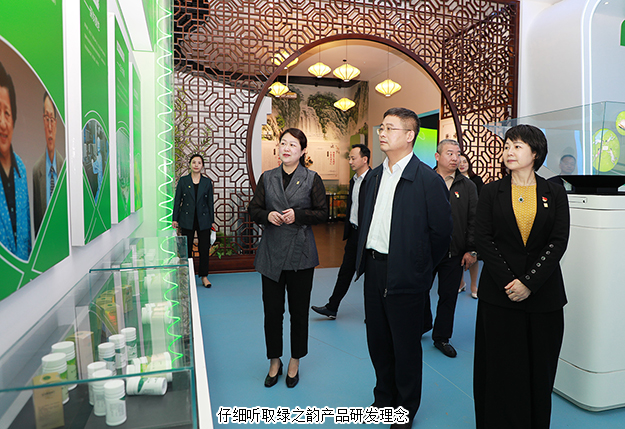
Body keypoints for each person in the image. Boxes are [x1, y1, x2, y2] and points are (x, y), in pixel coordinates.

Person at [355, 108, 452, 428]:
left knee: (406, 346)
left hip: (407, 275)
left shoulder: (427, 180)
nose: (382, 133)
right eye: (381, 128)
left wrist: (419, 267)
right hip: (374, 269)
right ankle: (383, 398)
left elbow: (441, 234)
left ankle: (405, 407)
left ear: (410, 135)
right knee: (378, 341)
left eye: (390, 128)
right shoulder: (373, 177)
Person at [473, 124, 569, 428]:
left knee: (540, 371)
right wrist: (510, 281)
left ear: (535, 153)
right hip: (499, 296)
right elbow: (483, 239)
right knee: (499, 370)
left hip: (544, 298)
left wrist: (529, 282)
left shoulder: (554, 192)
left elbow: (558, 241)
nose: (509, 152)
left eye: (517, 146)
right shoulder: (491, 191)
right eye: (507, 146)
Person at [248, 128, 328, 389]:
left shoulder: (312, 178)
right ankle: (275, 361)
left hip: (300, 254)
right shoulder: (267, 177)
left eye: (293, 144)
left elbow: (323, 213)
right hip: (271, 253)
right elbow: (254, 208)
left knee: (298, 312)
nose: (286, 148)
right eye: (283, 143)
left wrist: (299, 215)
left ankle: (294, 360)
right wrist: (266, 215)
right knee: (272, 312)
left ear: (302, 151)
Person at [424, 140, 478, 358]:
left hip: (454, 252)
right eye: (449, 153)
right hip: (426, 251)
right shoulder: (425, 180)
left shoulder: (468, 186)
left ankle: (442, 337)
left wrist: (472, 249)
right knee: (419, 292)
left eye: (458, 154)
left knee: (448, 297)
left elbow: (474, 220)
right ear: (438, 157)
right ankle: (421, 325)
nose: (455, 158)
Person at [311, 143, 370, 319]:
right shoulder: (354, 180)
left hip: (368, 236)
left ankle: (373, 315)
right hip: (354, 233)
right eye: (349, 158)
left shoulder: (373, 180)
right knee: (345, 271)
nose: (350, 161)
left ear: (364, 159)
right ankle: (332, 307)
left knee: (372, 277)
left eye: (353, 158)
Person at [0, 61, 31, 261]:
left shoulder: (22, 169)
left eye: (7, 113)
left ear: (14, 119)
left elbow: (28, 242)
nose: (2, 123)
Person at [172, 153, 215, 287]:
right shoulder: (183, 181)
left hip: (204, 220)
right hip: (187, 219)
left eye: (199, 163)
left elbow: (210, 203)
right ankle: (188, 275)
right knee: (187, 249)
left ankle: (204, 276)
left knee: (204, 249)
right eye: (194, 162)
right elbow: (177, 201)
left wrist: (212, 220)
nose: (196, 165)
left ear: (202, 166)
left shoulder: (207, 182)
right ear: (190, 164)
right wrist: (175, 219)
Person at [33, 92, 65, 236]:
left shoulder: (65, 169)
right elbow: (37, 225)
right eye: (47, 119)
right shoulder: (36, 171)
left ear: (56, 123)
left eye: (52, 119)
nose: (50, 127)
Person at [458, 152, 483, 298]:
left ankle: (474, 285)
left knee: (473, 255)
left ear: (469, 164)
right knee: (458, 255)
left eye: (464, 162)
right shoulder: (453, 180)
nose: (462, 164)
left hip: (473, 221)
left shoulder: (476, 180)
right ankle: (461, 283)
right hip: (458, 222)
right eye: (459, 162)